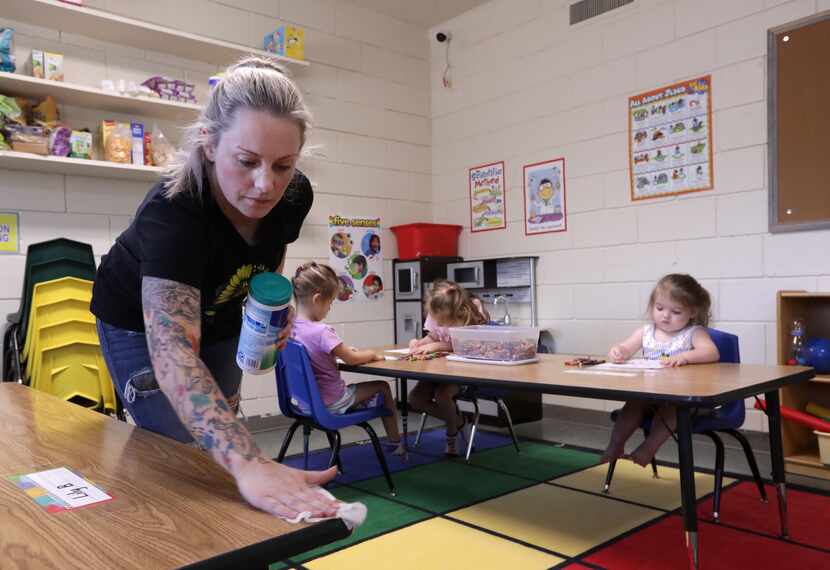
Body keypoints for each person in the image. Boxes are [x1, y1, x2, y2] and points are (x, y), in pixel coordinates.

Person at [90, 56, 339, 520]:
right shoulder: (174, 211)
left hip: (221, 310)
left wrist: (273, 307)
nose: (266, 185)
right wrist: (249, 462)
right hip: (137, 325)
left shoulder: (294, 194)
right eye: (246, 162)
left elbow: (270, 257)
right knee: (183, 448)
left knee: (223, 425)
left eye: (283, 165)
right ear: (208, 143)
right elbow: (173, 355)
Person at [601, 274, 720, 466]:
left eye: (676, 311)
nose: (665, 315)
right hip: (650, 393)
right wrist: (618, 351)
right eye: (659, 308)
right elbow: (626, 347)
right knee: (632, 405)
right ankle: (616, 444)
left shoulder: (693, 333)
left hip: (680, 397)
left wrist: (684, 357)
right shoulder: (646, 332)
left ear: (692, 312)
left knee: (672, 411)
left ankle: (649, 448)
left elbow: (711, 352)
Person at [291, 262, 404, 454]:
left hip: (304, 405)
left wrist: (338, 351)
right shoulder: (322, 332)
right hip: (330, 403)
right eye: (330, 302)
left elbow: (317, 354)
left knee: (359, 391)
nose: (329, 308)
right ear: (317, 299)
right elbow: (352, 359)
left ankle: (362, 404)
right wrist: (372, 354)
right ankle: (396, 444)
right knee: (383, 387)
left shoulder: (290, 329)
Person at [408, 280, 489, 455]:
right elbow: (433, 336)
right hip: (438, 369)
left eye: (444, 320)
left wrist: (437, 346)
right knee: (415, 399)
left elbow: (469, 346)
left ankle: (451, 434)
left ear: (454, 311)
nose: (440, 323)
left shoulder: (471, 311)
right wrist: (419, 343)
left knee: (443, 396)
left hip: (466, 370)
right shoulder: (437, 308)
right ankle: (460, 421)